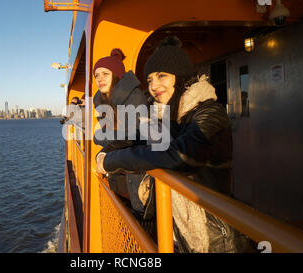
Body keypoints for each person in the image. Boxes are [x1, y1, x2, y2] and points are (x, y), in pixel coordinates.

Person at [96, 37, 254, 253]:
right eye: (150, 79)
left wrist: (110, 162)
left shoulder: (210, 114)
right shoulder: (166, 116)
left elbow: (179, 156)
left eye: (162, 76)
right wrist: (103, 153)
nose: (153, 86)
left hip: (214, 240)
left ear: (180, 77)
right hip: (178, 234)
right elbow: (133, 138)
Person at [93, 48, 149, 202]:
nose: (100, 79)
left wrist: (101, 143)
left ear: (117, 75)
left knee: (138, 219)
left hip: (136, 176)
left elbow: (134, 136)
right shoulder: (104, 102)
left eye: (105, 74)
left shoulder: (135, 97)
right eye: (96, 75)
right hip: (118, 172)